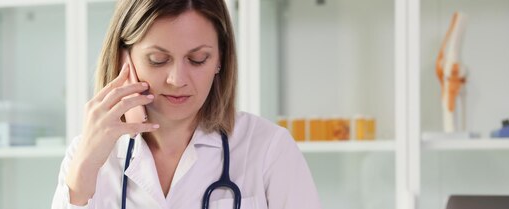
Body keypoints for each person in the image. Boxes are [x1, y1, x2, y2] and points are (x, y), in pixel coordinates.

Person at [51, 0, 321, 208]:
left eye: (198, 59)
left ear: (220, 60)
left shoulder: (269, 149)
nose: (177, 79)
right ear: (124, 58)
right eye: (158, 59)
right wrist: (84, 171)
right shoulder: (86, 156)